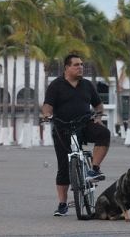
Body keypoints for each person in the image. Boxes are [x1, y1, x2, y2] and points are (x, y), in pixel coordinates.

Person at [42, 54, 110, 216]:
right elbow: (47, 106)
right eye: (77, 65)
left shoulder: (87, 85)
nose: (81, 67)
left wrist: (98, 117)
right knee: (63, 168)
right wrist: (46, 115)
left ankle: (93, 169)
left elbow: (98, 104)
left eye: (82, 65)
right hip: (62, 129)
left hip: (84, 125)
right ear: (67, 68)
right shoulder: (56, 85)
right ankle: (62, 204)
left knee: (104, 133)